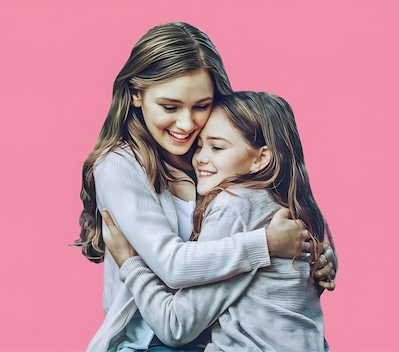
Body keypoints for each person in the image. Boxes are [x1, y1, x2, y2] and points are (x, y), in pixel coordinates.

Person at [73, 22, 336, 352]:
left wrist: (319, 253)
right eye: (170, 107)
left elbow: (284, 198)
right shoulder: (120, 165)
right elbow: (173, 264)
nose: (186, 124)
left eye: (201, 106)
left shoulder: (215, 158)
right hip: (150, 339)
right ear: (136, 94)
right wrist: (266, 245)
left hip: (217, 338)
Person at [103, 91, 335, 351]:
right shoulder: (292, 207)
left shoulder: (234, 206)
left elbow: (176, 326)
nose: (200, 157)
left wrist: (130, 264)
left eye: (217, 147)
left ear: (260, 158)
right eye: (199, 145)